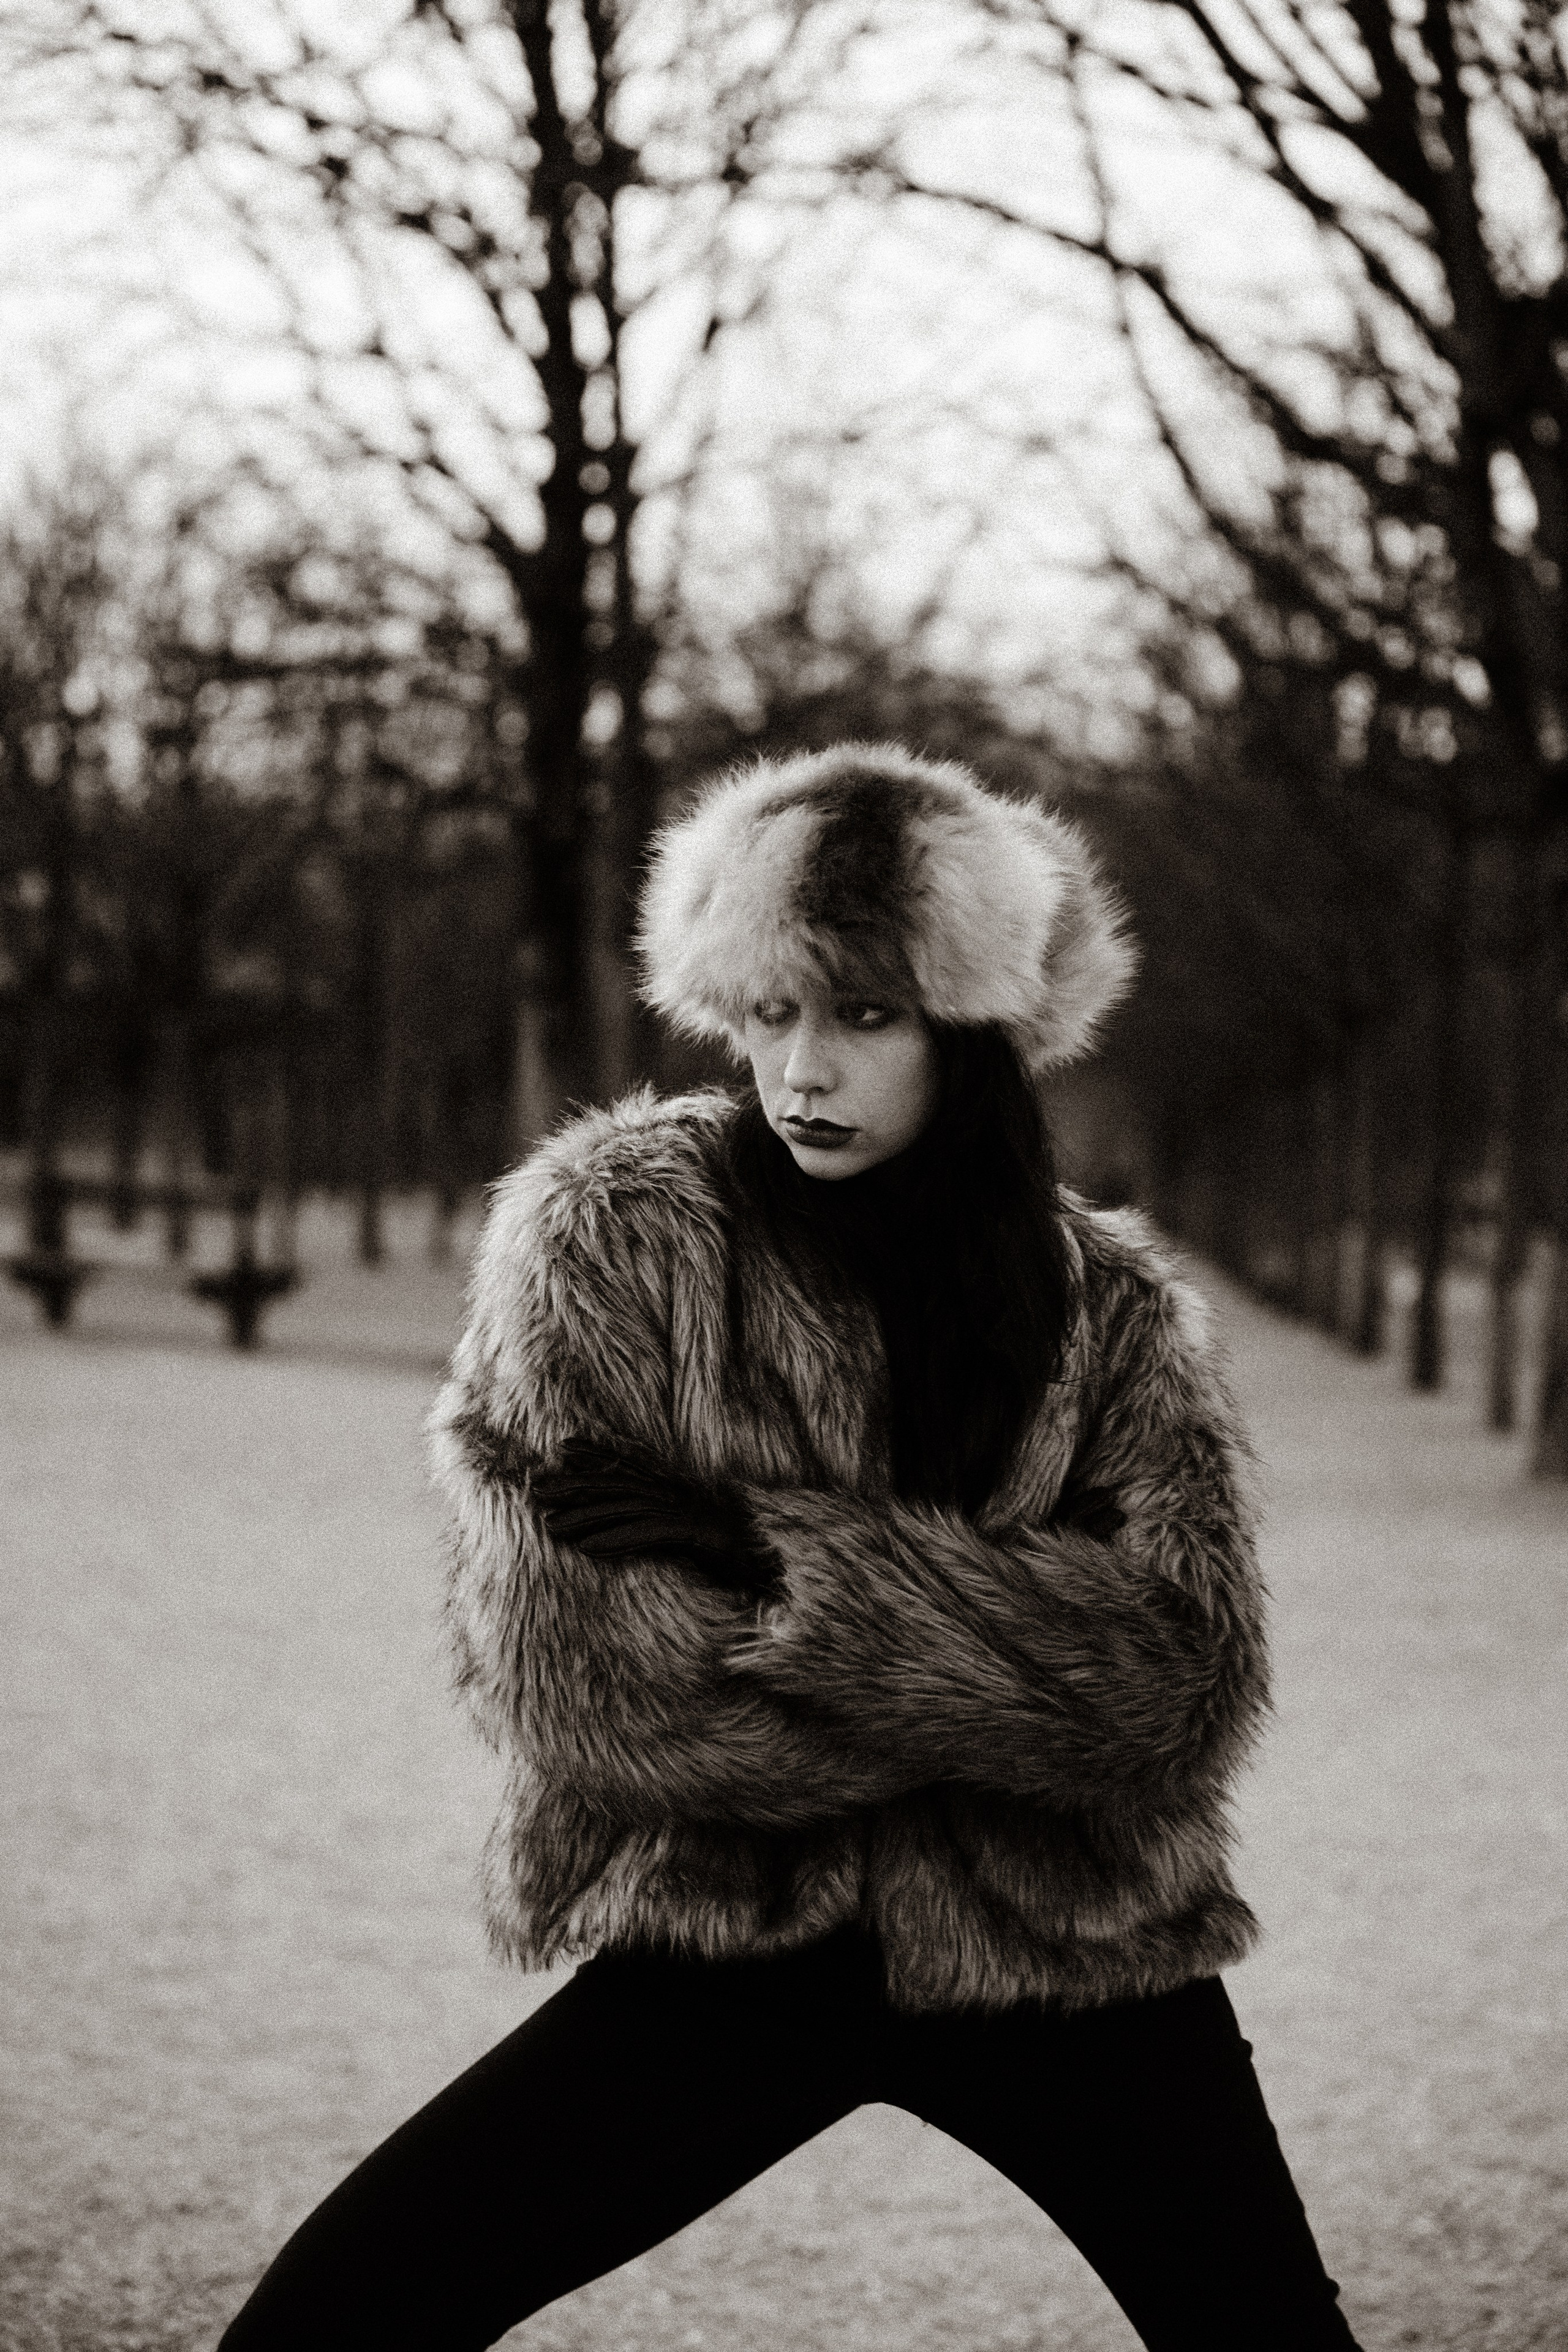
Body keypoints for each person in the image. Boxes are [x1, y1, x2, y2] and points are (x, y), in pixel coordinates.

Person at [221, 744, 1362, 2350]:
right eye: (769, 1014)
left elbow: (1177, 1694)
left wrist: (779, 1569)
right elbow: (595, 1680)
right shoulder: (625, 1236)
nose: (802, 1070)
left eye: (864, 1015)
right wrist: (991, 1665)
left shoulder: (1111, 1313)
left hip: (1074, 1953)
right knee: (328, 2321)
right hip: (739, 1940)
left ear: (971, 1034)